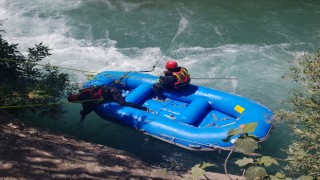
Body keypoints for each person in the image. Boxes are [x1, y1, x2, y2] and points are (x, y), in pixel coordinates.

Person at [68, 85, 148, 121]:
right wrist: (83, 114)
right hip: (107, 95)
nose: (75, 102)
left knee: (122, 103)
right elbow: (87, 107)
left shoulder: (84, 96)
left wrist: (84, 114)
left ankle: (143, 108)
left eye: (74, 101)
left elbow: (89, 107)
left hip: (111, 91)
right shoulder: (82, 97)